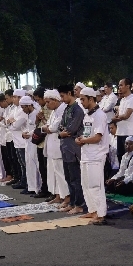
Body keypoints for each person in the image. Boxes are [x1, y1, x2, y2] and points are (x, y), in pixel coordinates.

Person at [75, 87, 108, 224]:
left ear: (91, 99)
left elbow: (97, 137)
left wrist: (83, 140)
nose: (81, 101)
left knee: (96, 185)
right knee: (86, 184)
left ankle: (101, 214)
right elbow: (89, 135)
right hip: (86, 153)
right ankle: (92, 210)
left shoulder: (100, 115)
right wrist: (81, 139)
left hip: (96, 154)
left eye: (83, 99)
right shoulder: (88, 115)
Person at [58, 84, 86, 214]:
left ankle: (79, 204)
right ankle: (73, 202)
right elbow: (61, 126)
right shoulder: (67, 108)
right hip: (65, 147)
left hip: (73, 148)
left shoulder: (77, 110)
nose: (62, 99)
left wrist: (64, 131)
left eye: (63, 96)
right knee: (69, 178)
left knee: (75, 178)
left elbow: (72, 129)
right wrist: (63, 131)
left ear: (69, 93)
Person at [43, 90, 69, 205]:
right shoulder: (54, 111)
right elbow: (46, 126)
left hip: (59, 145)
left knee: (61, 174)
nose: (47, 105)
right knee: (54, 173)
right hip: (51, 145)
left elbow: (53, 127)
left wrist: (48, 128)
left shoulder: (63, 109)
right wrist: (48, 128)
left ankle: (66, 197)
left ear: (55, 100)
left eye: (48, 102)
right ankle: (58, 195)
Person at [18, 95, 42, 195]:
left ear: (29, 105)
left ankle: (37, 188)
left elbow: (38, 128)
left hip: (35, 142)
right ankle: (31, 187)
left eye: (24, 107)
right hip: (28, 142)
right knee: (28, 165)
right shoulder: (29, 114)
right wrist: (24, 133)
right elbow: (27, 127)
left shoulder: (36, 113)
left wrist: (29, 133)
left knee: (35, 165)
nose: (23, 110)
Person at [111, 78, 133, 163]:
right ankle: (121, 175)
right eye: (119, 85)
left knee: (128, 157)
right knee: (120, 155)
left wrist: (114, 119)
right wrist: (116, 117)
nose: (119, 87)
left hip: (129, 132)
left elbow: (126, 115)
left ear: (128, 86)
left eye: (121, 85)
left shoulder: (132, 99)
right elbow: (118, 114)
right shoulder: (122, 100)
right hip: (120, 131)